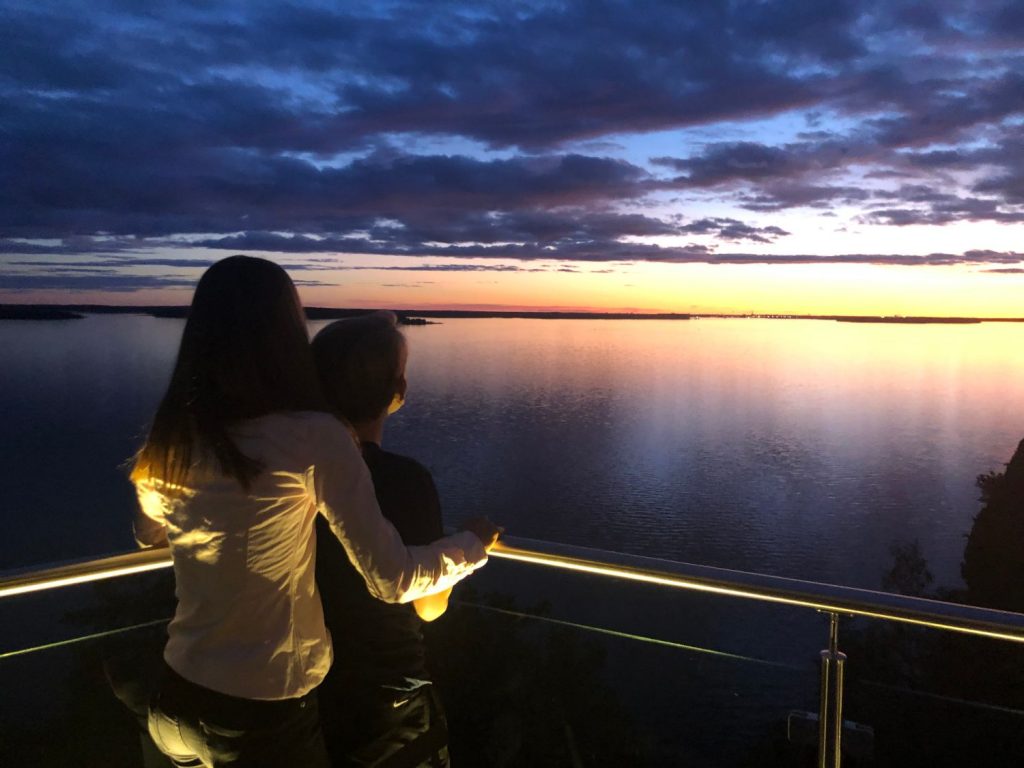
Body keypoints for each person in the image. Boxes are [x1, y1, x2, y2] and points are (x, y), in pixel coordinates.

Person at [131, 256, 500, 768]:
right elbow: (393, 581)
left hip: (174, 698)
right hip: (260, 715)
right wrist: (472, 547)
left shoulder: (176, 437)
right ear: (286, 335)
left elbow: (149, 532)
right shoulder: (311, 436)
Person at [311, 313, 464, 767]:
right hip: (384, 702)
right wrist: (466, 546)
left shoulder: (283, 476)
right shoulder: (404, 480)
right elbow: (430, 608)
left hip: (301, 694)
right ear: (398, 394)